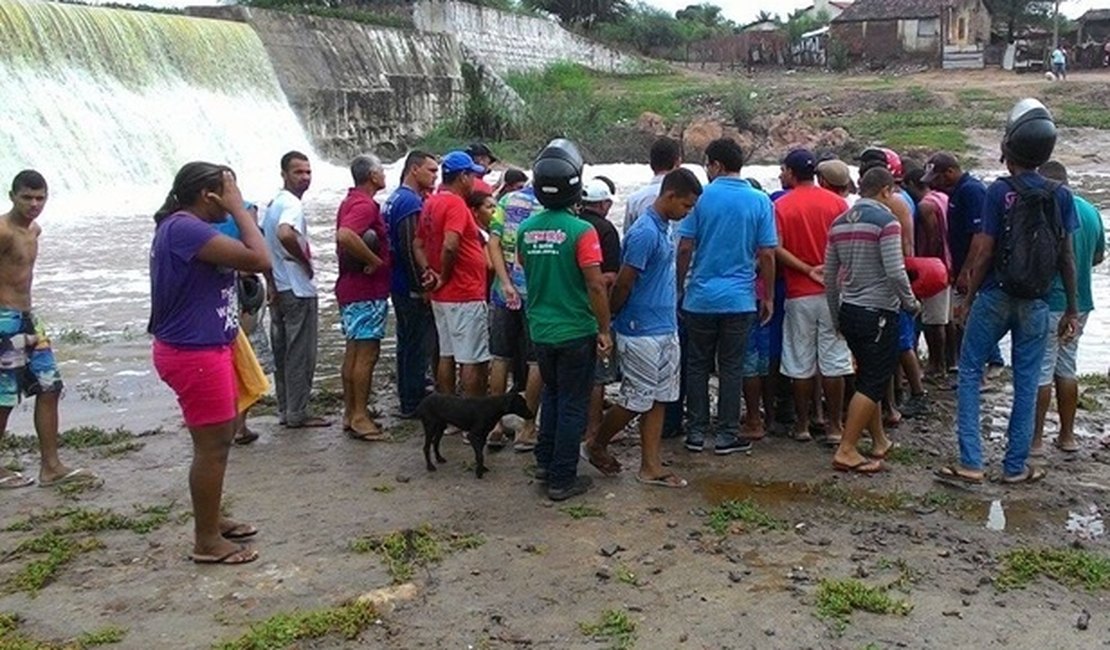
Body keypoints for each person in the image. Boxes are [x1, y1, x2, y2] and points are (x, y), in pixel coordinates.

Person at [937, 99, 1078, 486]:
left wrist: (967, 297)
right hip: (1037, 301)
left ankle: (972, 462)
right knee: (1027, 381)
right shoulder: (1060, 194)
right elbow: (1066, 255)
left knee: (969, 372)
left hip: (996, 295)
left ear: (1008, 148)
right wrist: (1070, 306)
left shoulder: (999, 191)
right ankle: (1015, 466)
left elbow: (983, 249)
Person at [150, 163, 270, 564]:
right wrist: (239, 210)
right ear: (209, 195)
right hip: (194, 353)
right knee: (213, 447)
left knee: (214, 445)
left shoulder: (184, 227)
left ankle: (212, 520)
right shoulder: (186, 229)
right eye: (229, 189)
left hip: (203, 348)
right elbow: (260, 257)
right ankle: (206, 541)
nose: (236, 194)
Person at [588, 169, 702, 487]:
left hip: (664, 325)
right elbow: (624, 282)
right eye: (687, 206)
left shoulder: (665, 226)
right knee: (636, 398)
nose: (688, 212)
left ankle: (650, 465)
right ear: (670, 197)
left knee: (660, 397)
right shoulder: (644, 233)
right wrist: (609, 323)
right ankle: (597, 442)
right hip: (640, 329)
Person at [517, 139, 612, 501]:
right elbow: (595, 285)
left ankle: (545, 461)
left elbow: (526, 268)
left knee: (554, 396)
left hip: (541, 329)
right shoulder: (582, 231)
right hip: (575, 330)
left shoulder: (526, 229)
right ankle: (562, 478)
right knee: (573, 402)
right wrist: (604, 329)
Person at [677, 138, 777, 454]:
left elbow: (684, 247)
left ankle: (695, 433)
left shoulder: (701, 199)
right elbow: (768, 255)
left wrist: (680, 287)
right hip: (740, 299)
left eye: (708, 164)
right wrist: (769, 296)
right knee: (731, 367)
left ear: (717, 165)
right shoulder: (760, 200)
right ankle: (726, 435)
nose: (706, 171)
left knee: (697, 365)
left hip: (700, 298)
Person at [0, 171, 96, 489]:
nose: (34, 204)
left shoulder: (34, 231)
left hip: (29, 318)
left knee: (49, 387)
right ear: (12, 195)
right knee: (4, 397)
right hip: (3, 320)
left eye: (40, 197)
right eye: (27, 197)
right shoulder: (2, 231)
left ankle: (51, 467)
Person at [825, 168, 920, 473]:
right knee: (874, 380)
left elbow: (830, 275)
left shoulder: (839, 223)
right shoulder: (887, 223)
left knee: (868, 375)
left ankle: (879, 440)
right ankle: (847, 448)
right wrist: (910, 303)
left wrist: (834, 312)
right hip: (877, 311)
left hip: (849, 309)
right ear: (885, 191)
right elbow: (895, 270)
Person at [774, 149, 853, 445]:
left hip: (799, 293)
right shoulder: (838, 204)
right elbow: (850, 243)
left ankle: (803, 424)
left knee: (800, 360)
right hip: (834, 290)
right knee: (834, 360)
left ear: (792, 174)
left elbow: (776, 249)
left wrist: (807, 269)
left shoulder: (783, 206)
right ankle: (834, 426)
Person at [1033, 160, 1104, 455]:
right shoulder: (1089, 210)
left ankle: (1035, 440)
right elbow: (1099, 257)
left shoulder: (1048, 210)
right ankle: (1067, 436)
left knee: (1042, 370)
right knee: (1067, 366)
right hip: (1082, 303)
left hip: (1051, 302)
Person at [859, 148, 929, 421]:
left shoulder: (893, 204)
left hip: (894, 276)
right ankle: (898, 392)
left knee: (901, 341)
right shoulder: (899, 201)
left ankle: (917, 393)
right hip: (895, 274)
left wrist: (905, 292)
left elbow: (901, 247)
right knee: (896, 341)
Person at [414, 151, 491, 398]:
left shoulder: (431, 202)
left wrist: (430, 273)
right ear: (463, 177)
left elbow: (418, 244)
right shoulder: (455, 203)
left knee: (447, 354)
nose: (474, 182)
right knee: (471, 358)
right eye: (472, 176)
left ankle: (449, 414)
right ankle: (471, 417)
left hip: (442, 295)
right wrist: (444, 275)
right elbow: (450, 244)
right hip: (464, 291)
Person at [261, 151, 329, 429]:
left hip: (280, 286)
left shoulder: (273, 203)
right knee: (300, 352)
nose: (305, 178)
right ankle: (298, 412)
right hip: (296, 287)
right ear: (284, 175)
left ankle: (286, 408)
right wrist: (305, 261)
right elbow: (286, 234)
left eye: (308, 172)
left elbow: (264, 245)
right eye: (298, 172)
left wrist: (270, 282)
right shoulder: (291, 205)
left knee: (283, 352)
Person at [922, 151, 1005, 375]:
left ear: (950, 172)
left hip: (974, 268)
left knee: (969, 315)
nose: (935, 185)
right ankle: (976, 360)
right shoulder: (958, 190)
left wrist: (967, 271)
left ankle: (993, 360)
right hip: (961, 265)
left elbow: (979, 236)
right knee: (966, 316)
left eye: (938, 179)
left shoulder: (971, 190)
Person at [335, 154, 390, 441]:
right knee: (366, 355)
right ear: (372, 176)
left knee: (354, 351)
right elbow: (345, 235)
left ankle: (350, 412)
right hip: (365, 290)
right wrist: (375, 261)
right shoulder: (363, 204)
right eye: (381, 171)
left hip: (350, 288)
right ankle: (360, 416)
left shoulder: (351, 200)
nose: (384, 175)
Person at [487, 179, 545, 452]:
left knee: (500, 357)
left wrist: (505, 282)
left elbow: (493, 244)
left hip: (502, 293)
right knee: (536, 361)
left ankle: (495, 425)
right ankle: (527, 429)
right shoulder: (553, 207)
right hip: (537, 295)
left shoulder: (507, 201)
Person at [384, 151, 438, 418]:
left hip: (397, 281)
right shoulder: (409, 202)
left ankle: (407, 396)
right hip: (409, 285)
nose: (435, 175)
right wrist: (423, 286)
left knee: (406, 341)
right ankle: (413, 402)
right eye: (431, 170)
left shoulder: (394, 198)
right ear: (414, 169)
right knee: (416, 343)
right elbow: (409, 246)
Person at [578, 178, 623, 466]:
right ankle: (593, 427)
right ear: (604, 204)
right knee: (597, 375)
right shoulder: (605, 229)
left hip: (568, 308)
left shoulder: (572, 224)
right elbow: (611, 276)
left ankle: (579, 425)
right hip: (595, 307)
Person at [904, 166, 952, 382]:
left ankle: (936, 365)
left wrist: (925, 264)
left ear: (913, 184)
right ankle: (945, 362)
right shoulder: (942, 196)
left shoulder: (925, 206)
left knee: (933, 321)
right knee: (941, 319)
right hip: (946, 264)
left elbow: (933, 238)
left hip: (933, 267)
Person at [624, 136, 682, 235]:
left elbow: (628, 236)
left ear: (651, 164)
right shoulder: (687, 198)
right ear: (677, 162)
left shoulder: (634, 200)